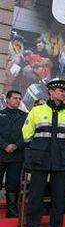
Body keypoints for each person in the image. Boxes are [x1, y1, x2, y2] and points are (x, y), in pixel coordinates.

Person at [22, 79, 65, 227]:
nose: (63, 93)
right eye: (60, 91)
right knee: (35, 199)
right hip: (40, 161)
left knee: (59, 199)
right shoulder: (36, 111)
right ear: (51, 92)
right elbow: (26, 134)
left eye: (64, 92)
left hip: (61, 161)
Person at [0, 90, 27, 218]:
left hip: (16, 155)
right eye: (15, 98)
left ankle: (11, 209)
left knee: (13, 183)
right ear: (8, 100)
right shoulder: (1, 114)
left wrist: (16, 145)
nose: (18, 100)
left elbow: (26, 134)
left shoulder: (24, 116)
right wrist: (5, 145)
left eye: (19, 98)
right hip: (1, 154)